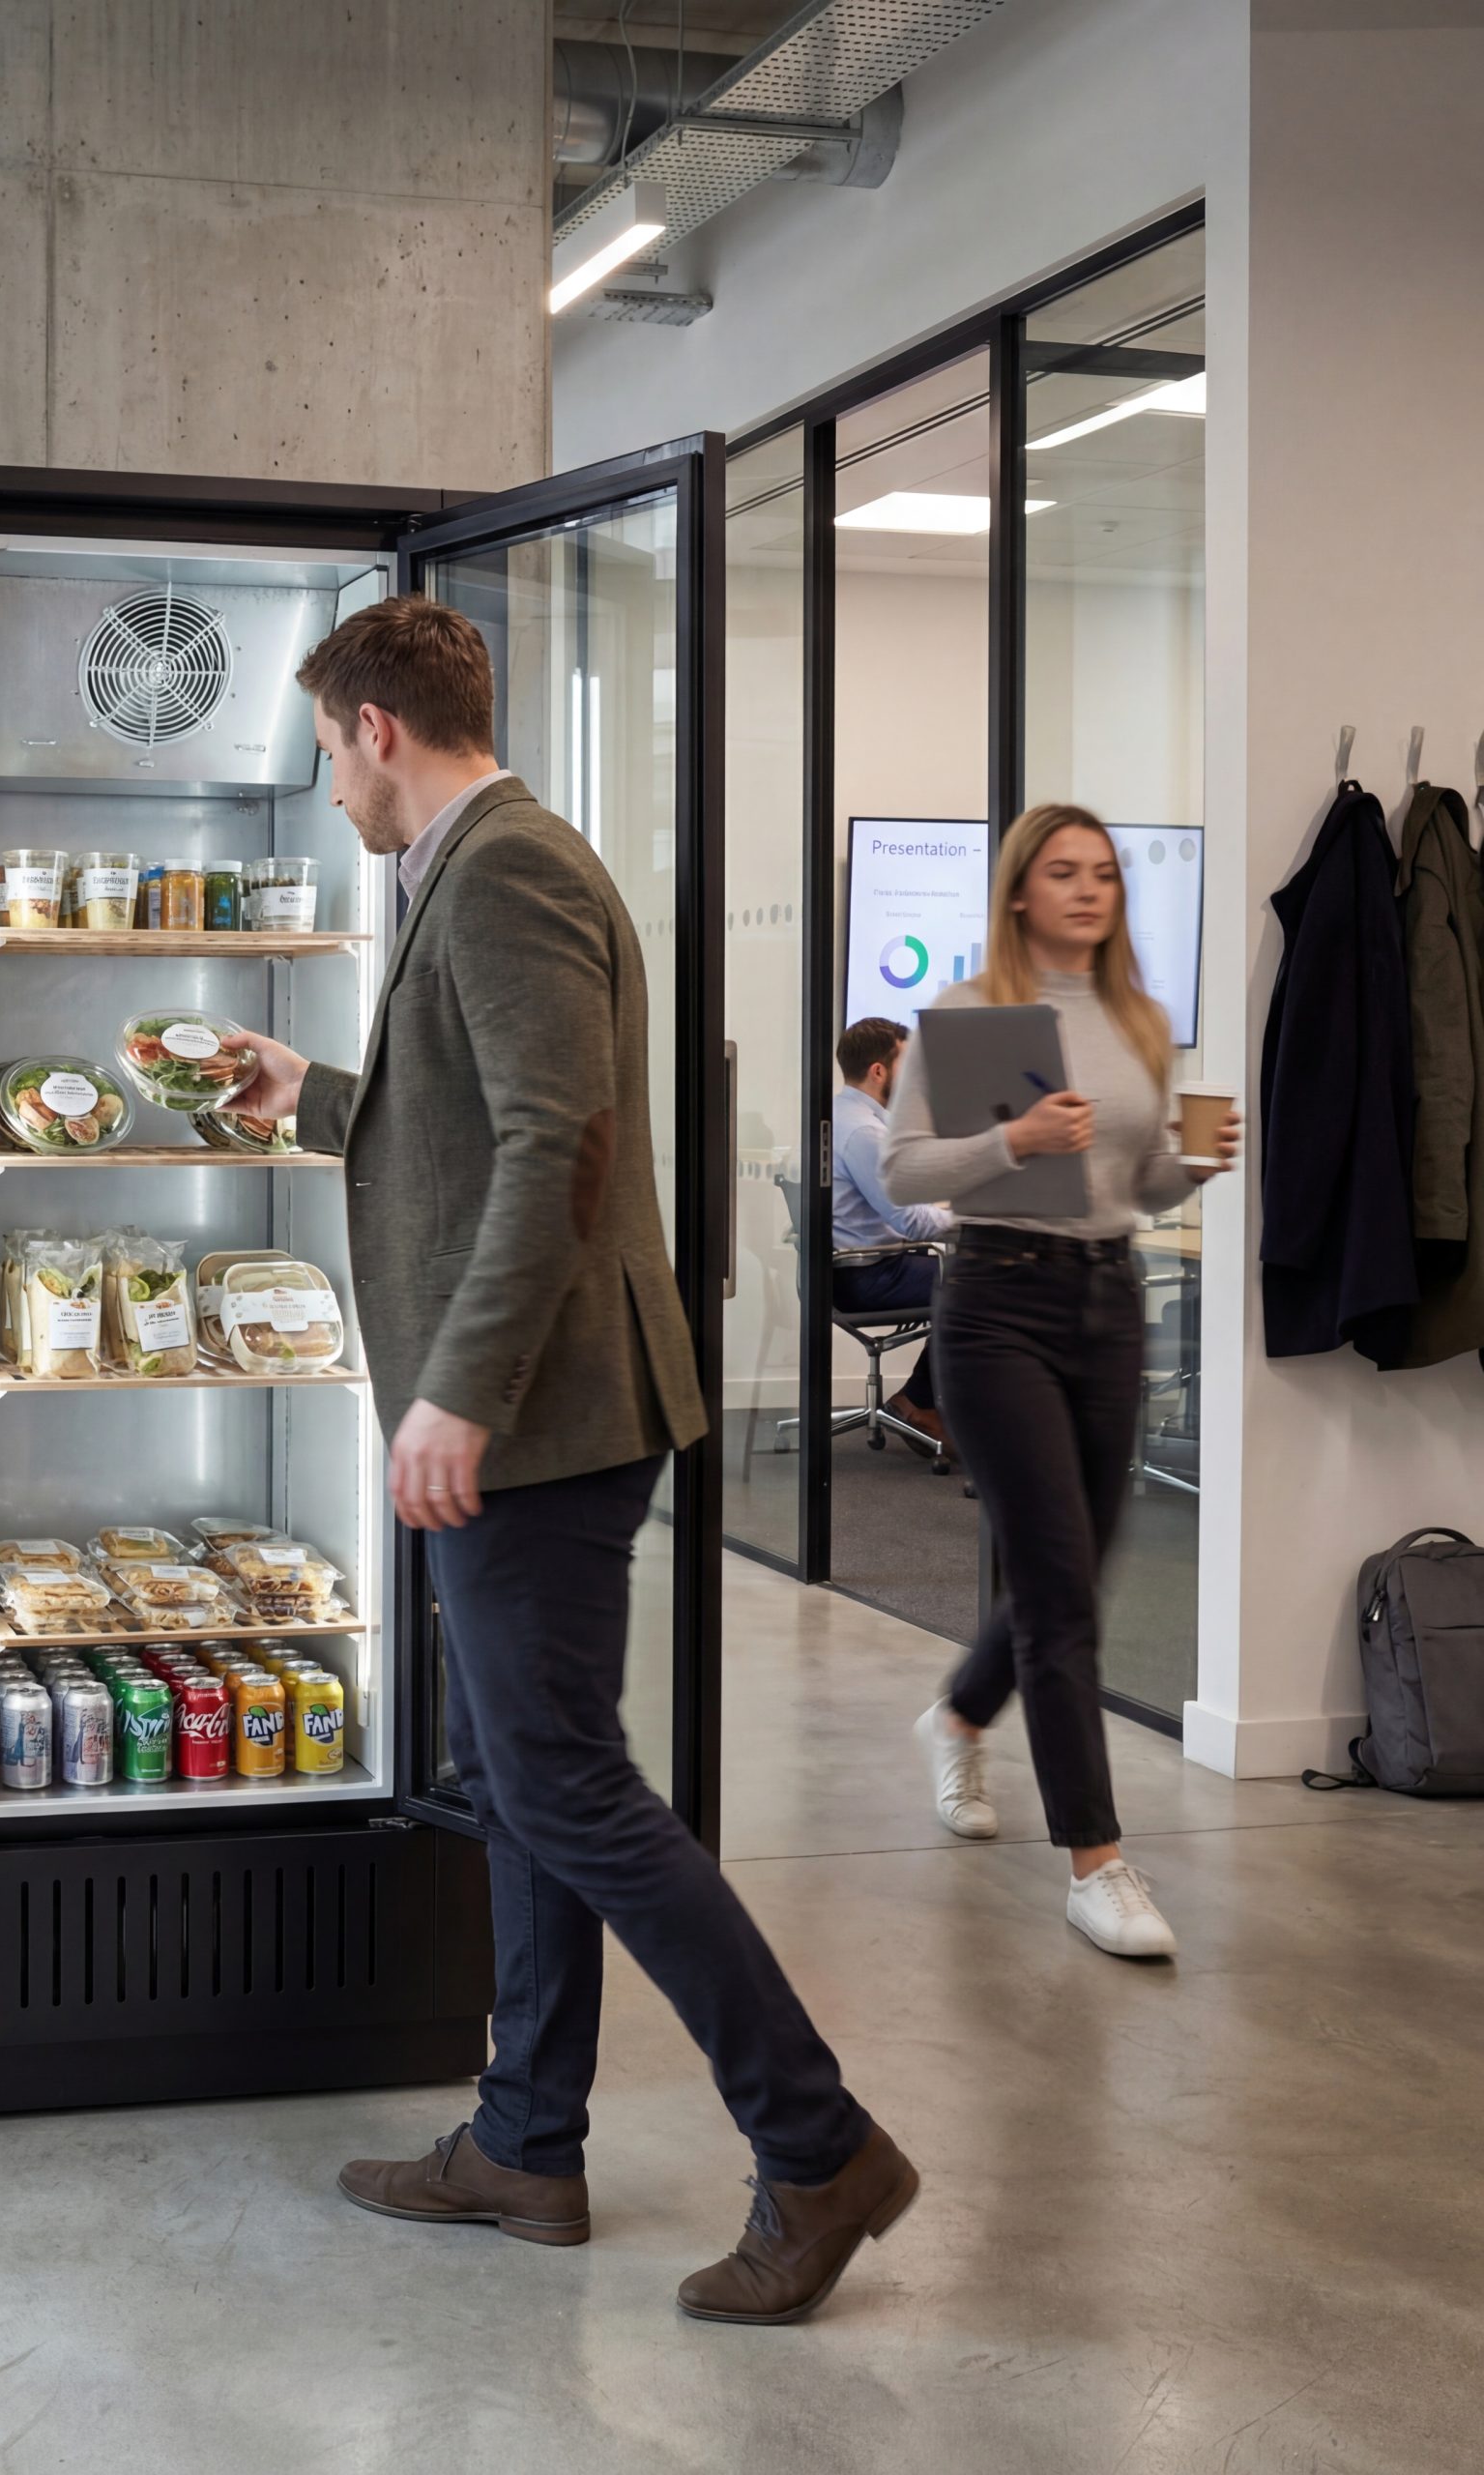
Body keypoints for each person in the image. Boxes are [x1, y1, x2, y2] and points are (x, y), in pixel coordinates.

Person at [234, 596, 916, 2324]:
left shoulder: (513, 868)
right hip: (540, 1408)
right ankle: (527, 2143)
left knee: (572, 1793)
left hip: (540, 1412)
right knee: (532, 1781)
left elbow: (559, 1140)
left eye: (327, 754)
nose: (329, 790)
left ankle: (820, 2146)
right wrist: (310, 1093)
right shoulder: (484, 867)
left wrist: (457, 1391)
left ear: (380, 730)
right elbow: (472, 1114)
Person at [883, 803, 1238, 1959]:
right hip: (994, 1303)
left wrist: (1190, 1162)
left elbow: (1135, 1184)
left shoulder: (1140, 1020)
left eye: (1103, 874)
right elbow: (904, 1172)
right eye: (1063, 872)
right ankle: (1096, 1860)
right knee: (1056, 1592)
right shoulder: (973, 1017)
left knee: (1074, 1573)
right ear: (1020, 892)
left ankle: (958, 1711)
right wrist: (1015, 1142)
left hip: (1104, 1298)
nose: (1088, 890)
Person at [830, 1016, 953, 1449]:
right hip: (868, 1278)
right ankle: (918, 1403)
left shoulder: (838, 1115)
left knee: (967, 1276)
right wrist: (972, 1217)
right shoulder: (865, 1132)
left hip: (853, 1270)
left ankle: (921, 1403)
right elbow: (912, 1222)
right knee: (981, 1285)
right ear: (879, 1070)